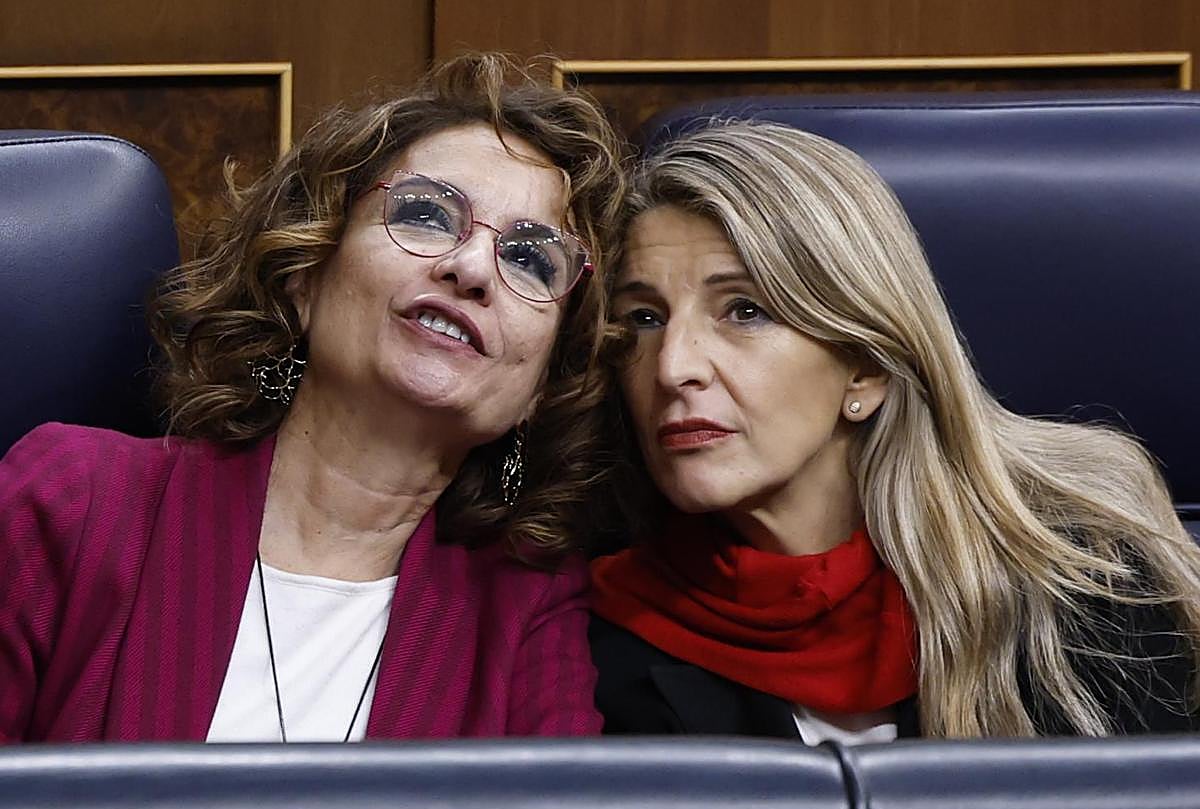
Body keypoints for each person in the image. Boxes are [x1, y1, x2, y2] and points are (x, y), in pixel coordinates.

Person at [0, 53, 627, 742]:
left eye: (531, 259)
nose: (473, 267)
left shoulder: (528, 603)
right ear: (304, 272)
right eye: (425, 214)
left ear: (547, 380)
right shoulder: (69, 499)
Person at [590, 120, 1200, 741]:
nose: (673, 367)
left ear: (865, 369)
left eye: (745, 311)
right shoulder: (597, 625)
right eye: (643, 319)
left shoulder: (1081, 571)